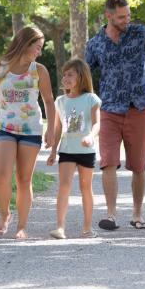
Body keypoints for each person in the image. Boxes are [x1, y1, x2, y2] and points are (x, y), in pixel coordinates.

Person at [85, 0, 145, 230]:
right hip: (109, 110)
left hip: (138, 108)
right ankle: (110, 215)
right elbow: (85, 75)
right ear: (108, 16)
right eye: (121, 16)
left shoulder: (139, 33)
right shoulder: (96, 43)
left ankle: (137, 214)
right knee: (108, 163)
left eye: (128, 15)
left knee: (139, 166)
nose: (126, 19)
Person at [0, 27, 55, 239]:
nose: (39, 52)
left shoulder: (39, 70)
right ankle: (5, 214)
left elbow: (48, 100)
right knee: (1, 175)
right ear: (25, 44)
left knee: (23, 179)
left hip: (31, 130)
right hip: (4, 128)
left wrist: (51, 129)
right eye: (37, 47)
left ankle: (21, 226)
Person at [46, 59, 101, 239]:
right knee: (64, 186)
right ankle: (60, 227)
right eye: (64, 75)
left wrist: (90, 137)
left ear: (81, 76)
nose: (65, 78)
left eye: (70, 74)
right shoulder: (60, 101)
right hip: (67, 149)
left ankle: (87, 228)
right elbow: (57, 128)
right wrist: (54, 151)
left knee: (86, 187)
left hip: (86, 150)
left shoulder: (91, 99)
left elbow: (97, 124)